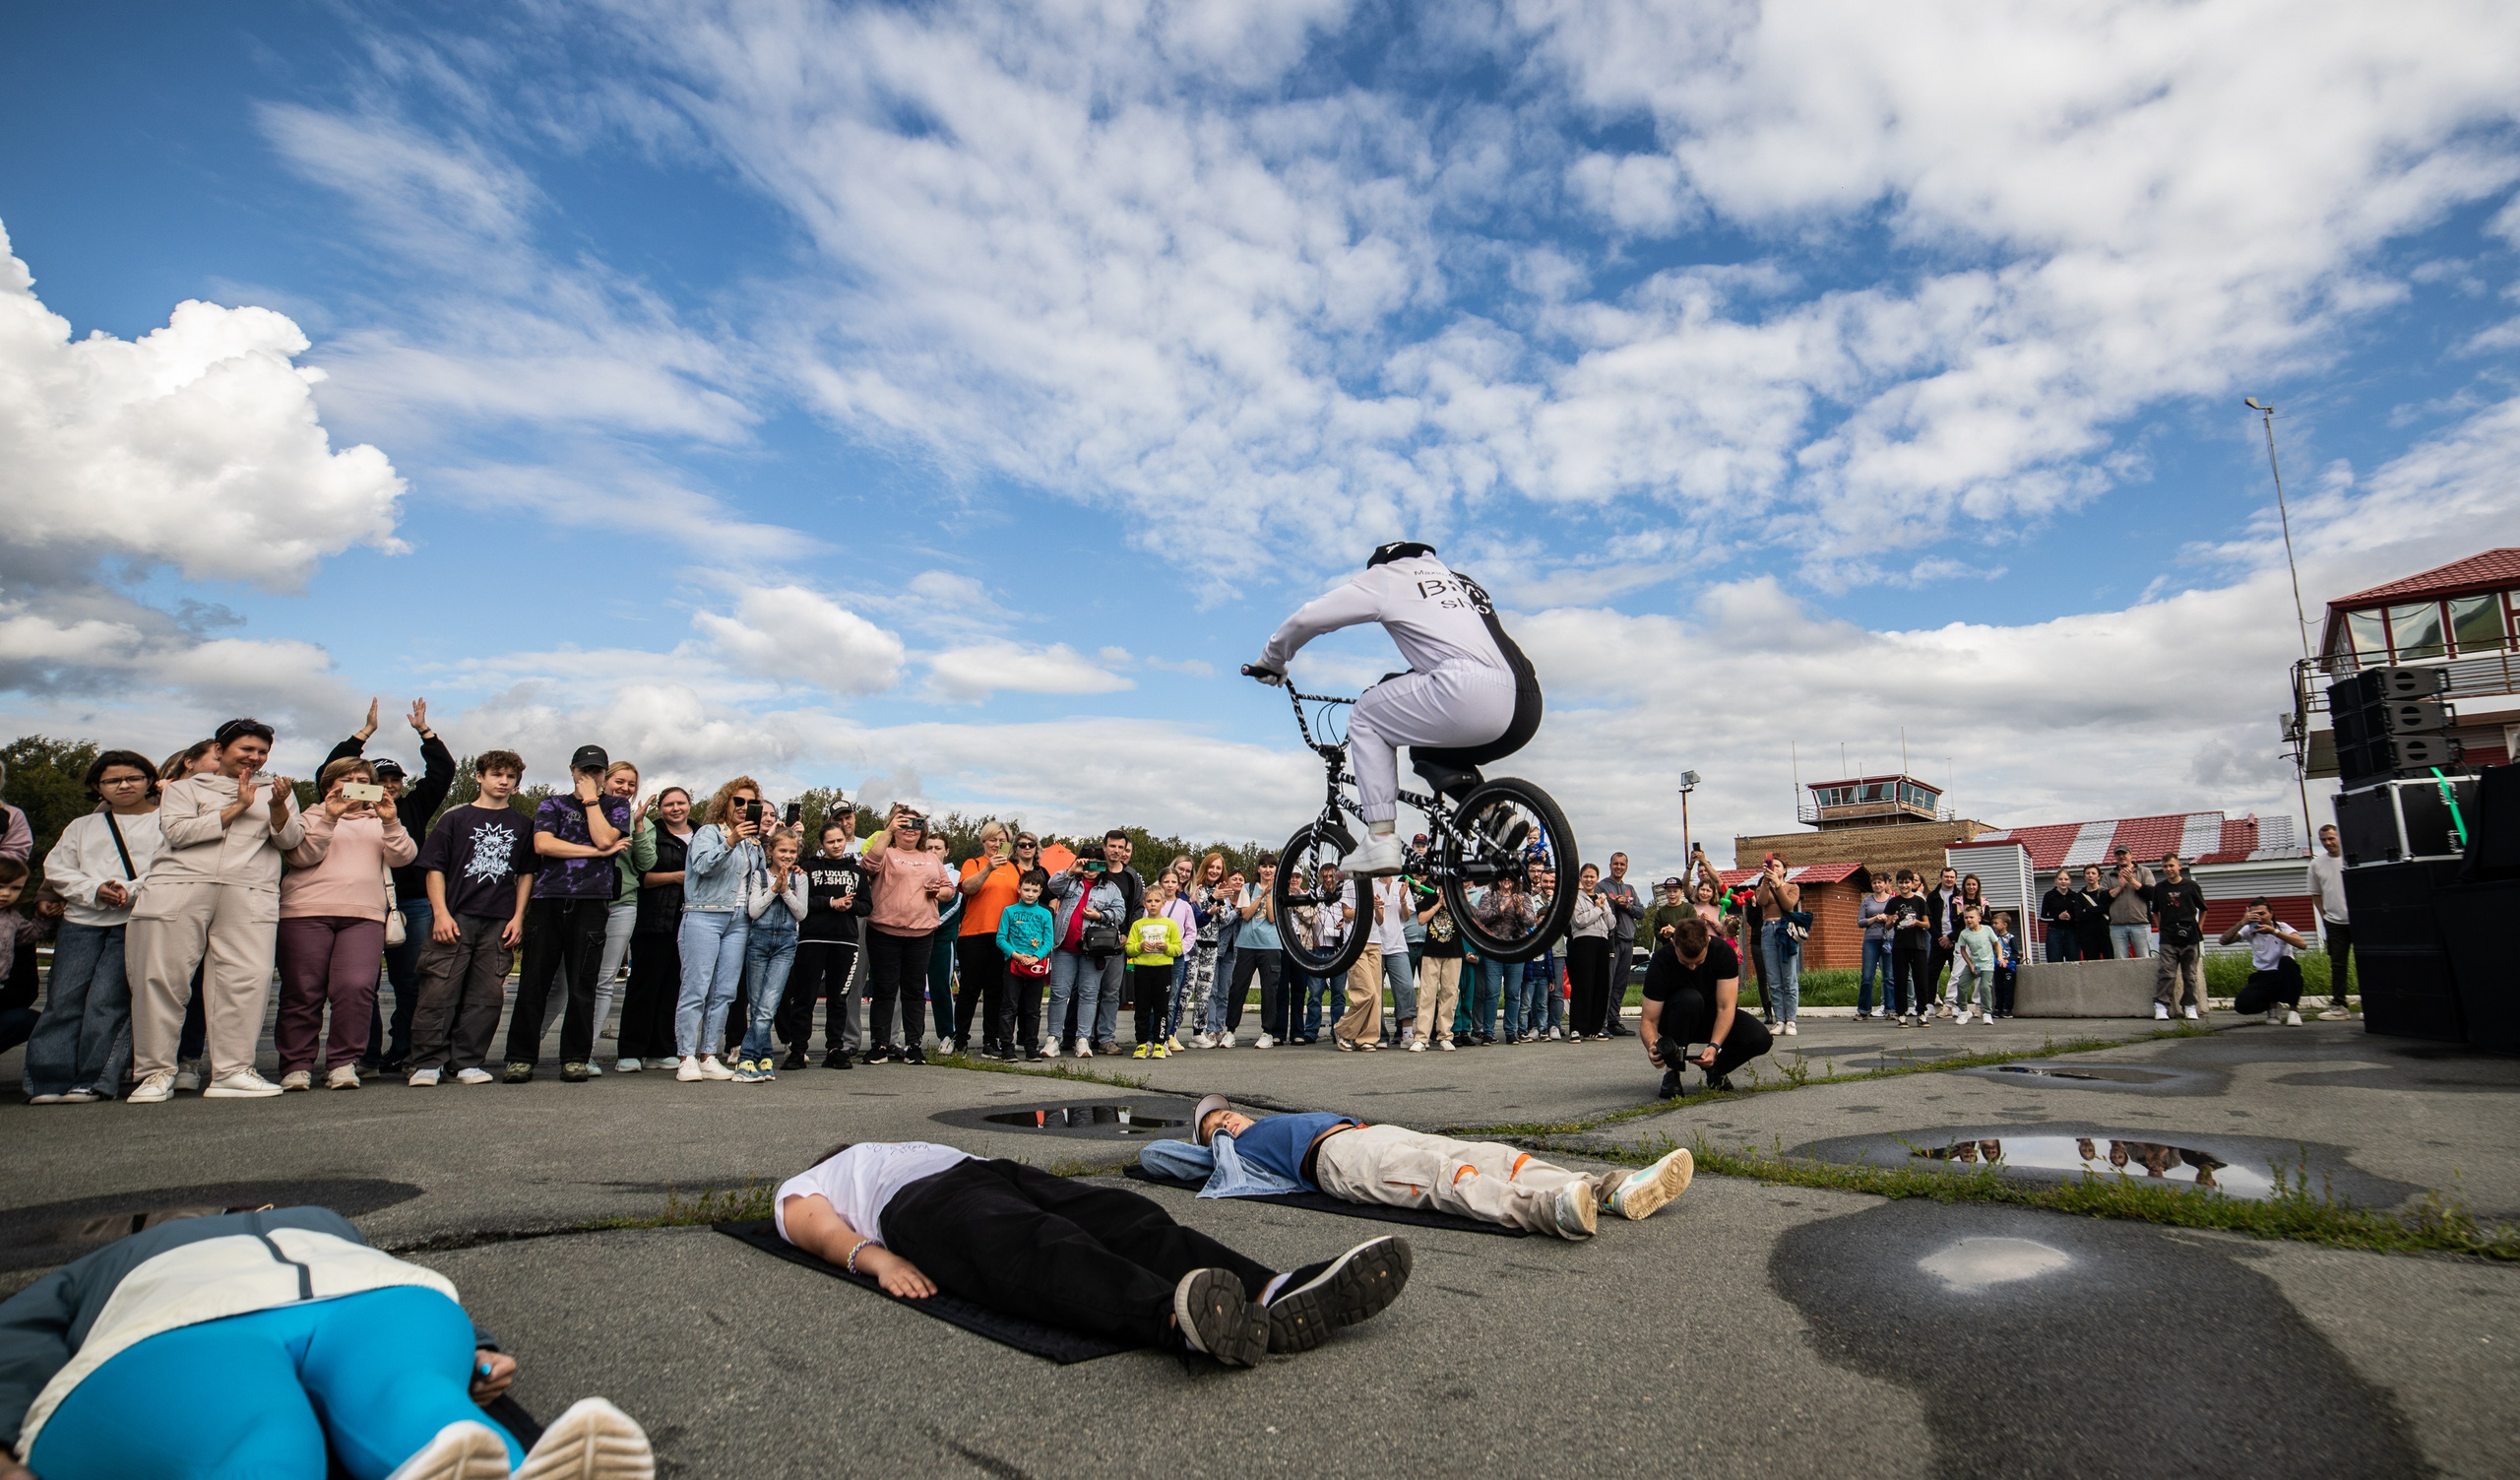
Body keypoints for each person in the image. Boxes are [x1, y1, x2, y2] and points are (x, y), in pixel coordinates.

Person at [0, 1205, 654, 1480]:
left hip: (369, 1294)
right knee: (381, 1405)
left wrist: (478, 1348)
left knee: (409, 1404)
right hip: (191, 1317)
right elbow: (18, 1334)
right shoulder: (110, 1257)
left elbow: (19, 1332)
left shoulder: (320, 1219)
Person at [773, 1141, 1411, 1364]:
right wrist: (873, 1257)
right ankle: (1176, 1317)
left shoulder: (886, 1144)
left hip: (988, 1169)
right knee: (1035, 1247)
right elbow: (811, 1224)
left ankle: (1271, 1290)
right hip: (916, 1204)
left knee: (1126, 1215)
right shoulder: (820, 1178)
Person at [1245, 542, 1540, 876]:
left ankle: (1380, 837)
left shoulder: (1389, 575)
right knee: (1426, 746)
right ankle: (1491, 813)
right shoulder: (1459, 580)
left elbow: (1310, 618)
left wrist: (1273, 659)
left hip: (1470, 693)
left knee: (1366, 716)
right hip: (1525, 702)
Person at [1166, 1097, 1697, 1239]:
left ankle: (1608, 1189)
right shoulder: (1237, 1157)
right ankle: (1548, 1211)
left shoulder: (1263, 1123)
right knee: (1438, 1178)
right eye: (1218, 1127)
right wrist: (1212, 1146)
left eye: (1229, 1116)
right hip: (1337, 1163)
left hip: (1366, 1133)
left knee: (1489, 1155)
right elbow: (1157, 1158)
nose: (1230, 1124)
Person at [126, 718, 300, 1103]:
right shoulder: (184, 789)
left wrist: (275, 807)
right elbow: (178, 833)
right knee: (161, 980)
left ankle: (233, 1071)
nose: (254, 757)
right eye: (246, 749)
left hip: (248, 890)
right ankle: (156, 1073)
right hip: (179, 887)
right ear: (220, 751)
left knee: (246, 980)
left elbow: (291, 843)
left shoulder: (278, 791)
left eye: (262, 752)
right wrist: (238, 806)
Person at [317, 698, 454, 1075]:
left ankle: (406, 1052)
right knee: (361, 985)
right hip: (361, 903)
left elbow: (443, 771)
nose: (390, 787)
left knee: (412, 982)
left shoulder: (411, 807)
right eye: (382, 781)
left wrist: (425, 731)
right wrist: (362, 735)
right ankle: (366, 1055)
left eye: (396, 780)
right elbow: (325, 773)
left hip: (411, 902)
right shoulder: (343, 808)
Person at [26, 752, 163, 1104]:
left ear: (149, 780)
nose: (124, 785)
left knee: (108, 1001)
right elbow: (57, 868)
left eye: (132, 777)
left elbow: (169, 865)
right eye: (112, 780)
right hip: (81, 921)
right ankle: (47, 1080)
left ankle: (94, 1079)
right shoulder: (81, 826)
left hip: (133, 921)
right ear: (97, 787)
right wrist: (94, 891)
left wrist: (129, 890)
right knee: (63, 1000)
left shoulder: (164, 821)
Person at [275, 757, 417, 1090]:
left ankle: (343, 1062)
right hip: (305, 912)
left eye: (361, 779)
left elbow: (404, 857)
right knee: (302, 990)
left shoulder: (380, 821)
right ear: (328, 786)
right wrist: (329, 817)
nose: (353, 783)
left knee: (356, 987)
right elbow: (301, 856)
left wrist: (391, 822)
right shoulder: (307, 816)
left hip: (364, 915)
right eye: (345, 778)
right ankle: (296, 1064)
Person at [500, 744, 630, 1084]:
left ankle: (575, 1057)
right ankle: (520, 1057)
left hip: (592, 900)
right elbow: (544, 844)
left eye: (597, 771)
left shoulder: (616, 805)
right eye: (584, 771)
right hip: (549, 898)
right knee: (534, 980)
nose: (590, 777)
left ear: (604, 774)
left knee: (582, 982)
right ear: (572, 770)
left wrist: (590, 801)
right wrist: (596, 851)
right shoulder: (552, 803)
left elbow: (607, 837)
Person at [404, 750, 536, 1087]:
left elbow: (524, 875)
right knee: (438, 991)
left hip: (499, 921)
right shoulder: (455, 818)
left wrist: (518, 917)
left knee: (487, 996)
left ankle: (467, 1061)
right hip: (455, 916)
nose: (504, 781)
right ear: (479, 777)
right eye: (497, 774)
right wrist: (440, 914)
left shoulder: (523, 825)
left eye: (510, 777)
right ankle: (427, 1062)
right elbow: (434, 868)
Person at [675, 777, 768, 1082]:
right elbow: (701, 866)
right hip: (704, 914)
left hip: (739, 920)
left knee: (725, 992)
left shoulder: (754, 842)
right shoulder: (708, 833)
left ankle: (708, 1055)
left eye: (750, 803)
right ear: (725, 804)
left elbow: (758, 879)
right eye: (737, 802)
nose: (743, 808)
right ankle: (686, 1056)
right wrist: (730, 842)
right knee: (696, 987)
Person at [858, 811, 957, 1064]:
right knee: (883, 989)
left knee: (914, 992)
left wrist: (939, 891)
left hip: (921, 933)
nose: (911, 829)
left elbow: (949, 890)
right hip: (884, 931)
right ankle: (879, 1044)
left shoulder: (930, 858)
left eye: (917, 824)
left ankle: (914, 1044)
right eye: (905, 824)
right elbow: (867, 866)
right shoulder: (887, 852)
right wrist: (889, 831)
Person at [1641, 913, 1773, 1095]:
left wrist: (1715, 1047)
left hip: (1713, 1017)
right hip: (1677, 1018)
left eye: (1698, 962)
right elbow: (1649, 1019)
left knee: (1760, 1038)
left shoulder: (1723, 953)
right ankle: (1672, 1072)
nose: (1693, 968)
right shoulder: (1661, 960)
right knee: (1690, 999)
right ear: (1674, 943)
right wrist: (1652, 1047)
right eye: (1686, 963)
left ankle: (1716, 1070)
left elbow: (1726, 1007)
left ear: (1708, 943)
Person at [781, 817, 868, 1069]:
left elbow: (867, 905)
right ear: (822, 843)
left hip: (845, 941)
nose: (836, 845)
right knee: (805, 996)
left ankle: (834, 1048)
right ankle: (797, 1050)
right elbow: (803, 901)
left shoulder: (857, 871)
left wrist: (850, 905)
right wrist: (831, 902)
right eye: (831, 841)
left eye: (840, 840)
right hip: (812, 939)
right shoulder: (808, 868)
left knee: (838, 998)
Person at [616, 786, 693, 1071]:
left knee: (673, 986)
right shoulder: (651, 831)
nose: (675, 808)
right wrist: (675, 877)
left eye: (680, 803)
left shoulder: (702, 835)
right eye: (669, 804)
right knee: (643, 986)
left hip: (687, 920)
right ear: (660, 808)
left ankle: (662, 1050)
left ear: (689, 805)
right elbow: (642, 876)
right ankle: (630, 1051)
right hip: (653, 917)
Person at [578, 762, 647, 1074]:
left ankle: (585, 1051)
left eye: (631, 784)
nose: (625, 788)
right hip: (584, 900)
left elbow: (646, 862)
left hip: (622, 903)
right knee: (567, 981)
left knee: (605, 981)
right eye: (620, 781)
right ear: (604, 780)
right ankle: (531, 1048)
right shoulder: (582, 809)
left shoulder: (636, 820)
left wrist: (640, 826)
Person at [730, 828, 809, 1082]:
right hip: (759, 943)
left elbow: (801, 914)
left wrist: (786, 890)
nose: (787, 855)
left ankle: (746, 1058)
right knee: (756, 1006)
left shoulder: (801, 879)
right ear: (771, 852)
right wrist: (774, 888)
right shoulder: (758, 876)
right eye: (782, 851)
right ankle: (764, 1055)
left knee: (768, 1005)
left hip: (785, 945)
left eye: (792, 851)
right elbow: (753, 911)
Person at [1043, 839, 1130, 1059]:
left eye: (1096, 864)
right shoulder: (1070, 882)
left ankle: (1083, 1039)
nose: (1091, 870)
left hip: (1093, 950)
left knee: (1089, 995)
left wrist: (1100, 915)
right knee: (1058, 994)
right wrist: (1071, 870)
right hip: (1064, 946)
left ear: (1103, 865)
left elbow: (1120, 913)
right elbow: (1052, 886)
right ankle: (1053, 1038)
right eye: (1087, 864)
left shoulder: (1110, 888)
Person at [954, 823, 1029, 1059]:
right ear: (984, 841)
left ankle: (990, 1040)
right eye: (992, 840)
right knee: (969, 989)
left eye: (1002, 841)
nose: (997, 845)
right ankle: (961, 1039)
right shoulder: (973, 864)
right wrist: (988, 868)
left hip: (1003, 938)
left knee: (996, 991)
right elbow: (968, 888)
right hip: (974, 934)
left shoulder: (1016, 870)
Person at [993, 868, 1056, 1059]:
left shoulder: (1045, 914)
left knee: (1032, 1009)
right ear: (1019, 888)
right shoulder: (1010, 911)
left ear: (1040, 892)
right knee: (1009, 1007)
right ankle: (1007, 1047)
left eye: (1035, 891)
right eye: (1027, 890)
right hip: (1013, 964)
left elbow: (1048, 941)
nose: (1030, 894)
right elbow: (1001, 938)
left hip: (1036, 966)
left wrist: (1036, 957)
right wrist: (1016, 955)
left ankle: (1031, 1047)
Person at [2144, 852, 2210, 1022]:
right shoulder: (2159, 888)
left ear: (2179, 866)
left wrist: (2199, 927)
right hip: (2168, 937)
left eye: (2171, 865)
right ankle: (2161, 1006)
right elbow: (2155, 911)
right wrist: (2160, 929)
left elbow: (2203, 908)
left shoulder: (2191, 886)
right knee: (2167, 972)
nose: (2168, 869)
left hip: (2190, 936)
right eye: (2165, 866)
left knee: (2190, 974)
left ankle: (2189, 1006)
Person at [2225, 900, 2310, 1025]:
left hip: (2284, 973)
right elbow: (2223, 941)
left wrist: (2273, 932)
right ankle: (2272, 1008)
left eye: (2262, 913)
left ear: (2271, 913)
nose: (2259, 917)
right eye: (2254, 914)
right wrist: (2243, 922)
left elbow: (2302, 944)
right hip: (2264, 975)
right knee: (2242, 1005)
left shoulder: (2281, 927)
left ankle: (2294, 1011)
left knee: (2288, 963)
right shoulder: (2249, 929)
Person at [1232, 856, 1288, 1048]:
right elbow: (1246, 915)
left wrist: (1270, 894)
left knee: (1269, 991)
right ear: (1258, 869)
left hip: (1270, 946)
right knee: (1238, 988)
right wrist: (1261, 895)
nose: (1267, 870)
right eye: (1264, 866)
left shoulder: (1281, 890)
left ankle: (1267, 1032)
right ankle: (1230, 1030)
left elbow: (1272, 918)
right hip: (1247, 944)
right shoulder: (1248, 888)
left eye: (1271, 866)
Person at [0, 862, 52, 1063]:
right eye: (1, 886)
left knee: (26, 1019)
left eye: (14, 888)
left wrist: (43, 917)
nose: (6, 893)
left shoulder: (14, 919)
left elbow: (30, 935)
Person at [1125, 884, 1184, 1059]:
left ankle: (1160, 1042)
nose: (1153, 904)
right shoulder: (1138, 925)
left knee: (1161, 1008)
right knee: (1142, 1008)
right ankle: (1142, 1043)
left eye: (1157, 901)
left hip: (1163, 970)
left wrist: (1166, 947)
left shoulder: (1170, 925)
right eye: (1149, 901)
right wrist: (1140, 946)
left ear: (1163, 903)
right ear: (1144, 903)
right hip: (1142, 970)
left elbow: (1178, 949)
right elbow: (1129, 948)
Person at [1754, 855, 1804, 1036]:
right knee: (1774, 979)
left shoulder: (1793, 887)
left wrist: (1777, 884)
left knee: (1789, 978)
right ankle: (1779, 1020)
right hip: (1768, 929)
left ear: (1784, 870)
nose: (1773, 868)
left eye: (1777, 866)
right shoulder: (1762, 886)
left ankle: (1791, 1020)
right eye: (1770, 865)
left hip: (1785, 929)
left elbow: (1788, 905)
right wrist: (1767, 883)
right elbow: (1762, 902)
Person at [1412, 879, 1464, 1052]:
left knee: (1450, 993)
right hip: (1431, 952)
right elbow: (1420, 919)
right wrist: (1438, 904)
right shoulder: (1428, 897)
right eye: (1441, 886)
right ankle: (1421, 1037)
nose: (1443, 889)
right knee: (1427, 994)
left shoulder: (1458, 899)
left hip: (1454, 952)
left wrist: (1448, 904)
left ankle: (1445, 1035)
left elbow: (1465, 921)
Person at [2308, 822, 2355, 1018]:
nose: (2328, 843)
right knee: (2338, 964)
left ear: (2339, 838)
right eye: (2324, 840)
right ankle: (2339, 1006)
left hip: (2358, 919)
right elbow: (2315, 894)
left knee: (2368, 961)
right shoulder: (2316, 864)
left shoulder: (2352, 858)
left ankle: (2373, 1003)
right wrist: (2325, 917)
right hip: (2334, 922)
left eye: (2331, 839)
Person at [1566, 864, 1614, 1040]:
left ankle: (1595, 1027)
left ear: (1597, 878)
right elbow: (1579, 920)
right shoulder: (1575, 898)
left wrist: (1602, 906)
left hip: (1602, 942)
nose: (1589, 880)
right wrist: (1596, 908)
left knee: (1600, 986)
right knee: (1583, 985)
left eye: (1592, 877)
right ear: (1581, 878)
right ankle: (1577, 1028)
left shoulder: (1602, 898)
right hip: (1583, 941)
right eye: (1586, 876)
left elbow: (1611, 924)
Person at [1598, 852, 1643, 1036]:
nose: (1619, 867)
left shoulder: (1629, 888)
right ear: (1610, 865)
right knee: (1607, 983)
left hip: (1628, 941)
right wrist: (1615, 904)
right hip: (1611, 941)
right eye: (1616, 864)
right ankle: (1600, 1022)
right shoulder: (1601, 885)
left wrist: (1627, 907)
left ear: (1626, 866)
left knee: (1620, 984)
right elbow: (1599, 909)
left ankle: (1614, 1020)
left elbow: (1641, 912)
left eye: (1622, 864)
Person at [1886, 870, 1933, 1027]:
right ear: (1897, 884)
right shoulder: (1893, 902)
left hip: (1918, 946)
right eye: (1901, 882)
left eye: (1907, 882)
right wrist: (1892, 920)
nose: (1904, 885)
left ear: (1913, 883)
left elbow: (1927, 924)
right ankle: (1901, 1014)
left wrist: (1916, 923)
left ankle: (1922, 1013)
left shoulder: (1919, 901)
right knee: (1900, 980)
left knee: (1921, 980)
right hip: (1900, 946)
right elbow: (1887, 926)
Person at [1948, 904, 2002, 1025]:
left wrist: (1999, 956)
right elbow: (1963, 950)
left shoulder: (1987, 930)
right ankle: (1963, 1011)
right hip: (1973, 964)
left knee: (1984, 987)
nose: (1969, 920)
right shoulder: (1964, 933)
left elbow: (1997, 943)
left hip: (1987, 965)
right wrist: (1971, 965)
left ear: (1979, 918)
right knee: (1961, 985)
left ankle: (1987, 1013)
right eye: (1966, 918)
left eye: (1971, 917)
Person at [2103, 846, 2156, 959]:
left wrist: (2132, 881)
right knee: (2120, 960)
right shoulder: (2109, 875)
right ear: (2115, 857)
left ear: (2131, 854)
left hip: (2140, 923)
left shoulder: (2144, 871)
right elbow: (2102, 898)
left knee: (2144, 959)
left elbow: (2152, 894)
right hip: (2117, 926)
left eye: (2124, 853)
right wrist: (2120, 887)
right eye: (2118, 854)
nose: (2121, 856)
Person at [1857, 871, 1895, 1019]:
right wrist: (1875, 918)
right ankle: (1864, 1010)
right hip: (1871, 940)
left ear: (1886, 884)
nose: (1877, 885)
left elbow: (1898, 920)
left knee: (1889, 977)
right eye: (1874, 883)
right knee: (1867, 976)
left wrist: (1888, 919)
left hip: (1889, 940)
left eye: (1880, 882)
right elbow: (1860, 922)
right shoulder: (1867, 901)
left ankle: (1890, 1010)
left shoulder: (1892, 900)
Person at [2072, 864, 2112, 967]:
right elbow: (2079, 915)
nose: (2090, 875)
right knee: (2091, 965)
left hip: (2106, 933)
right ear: (2084, 876)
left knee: (2110, 963)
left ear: (2099, 876)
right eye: (2088, 873)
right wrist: (2099, 910)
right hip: (2088, 936)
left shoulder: (2105, 893)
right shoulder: (2080, 896)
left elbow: (2109, 908)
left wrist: (2089, 910)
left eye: (2093, 873)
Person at [2039, 868, 2082, 963]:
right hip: (2054, 932)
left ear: (2070, 881)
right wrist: (2057, 918)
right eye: (2060, 879)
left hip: (2071, 932)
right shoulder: (2049, 895)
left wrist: (2071, 918)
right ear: (2056, 880)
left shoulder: (2075, 896)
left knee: (2074, 961)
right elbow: (2042, 917)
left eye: (2066, 879)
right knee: (2054, 961)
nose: (2063, 882)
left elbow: (2079, 916)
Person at [1990, 910, 2022, 1017]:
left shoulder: (2010, 937)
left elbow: (2015, 953)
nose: (1994, 925)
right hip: (1997, 965)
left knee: (2008, 988)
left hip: (2008, 966)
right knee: (1998, 988)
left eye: (1996, 923)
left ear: (2004, 925)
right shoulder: (1994, 938)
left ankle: (2007, 1008)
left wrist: (2007, 960)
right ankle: (1998, 1007)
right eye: (1993, 923)